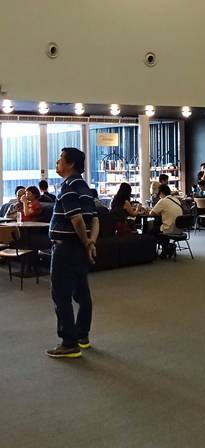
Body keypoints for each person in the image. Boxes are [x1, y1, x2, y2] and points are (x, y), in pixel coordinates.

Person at [46, 147, 99, 359]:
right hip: (78, 248)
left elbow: (76, 219)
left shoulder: (68, 187)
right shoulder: (84, 187)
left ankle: (69, 343)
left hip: (65, 248)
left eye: (60, 159)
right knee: (82, 293)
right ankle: (82, 336)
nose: (57, 162)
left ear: (70, 164)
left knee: (61, 295)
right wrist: (90, 243)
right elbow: (94, 219)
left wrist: (86, 241)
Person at [148, 184, 185, 258]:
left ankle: (165, 247)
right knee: (159, 228)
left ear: (161, 193)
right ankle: (166, 248)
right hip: (179, 229)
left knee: (150, 232)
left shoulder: (163, 201)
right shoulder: (176, 200)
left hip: (169, 228)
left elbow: (151, 213)